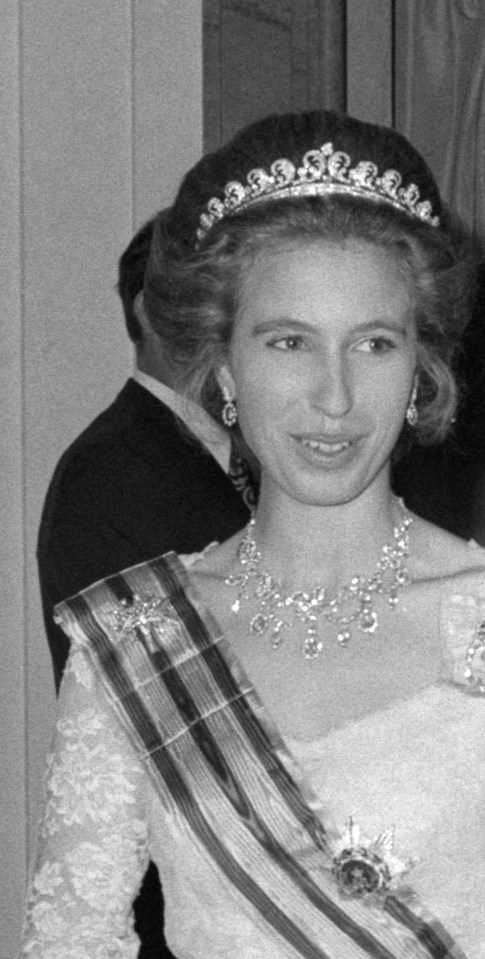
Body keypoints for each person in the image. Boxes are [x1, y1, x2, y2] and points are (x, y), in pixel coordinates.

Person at [22, 110, 485, 959]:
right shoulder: (137, 637)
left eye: (375, 344)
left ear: (422, 368)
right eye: (288, 342)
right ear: (224, 364)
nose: (336, 398)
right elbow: (71, 941)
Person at [36, 219, 255, 959]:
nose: (226, 319)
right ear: (145, 312)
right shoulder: (114, 471)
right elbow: (168, 728)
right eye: (203, 297)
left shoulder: (248, 459)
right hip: (193, 909)